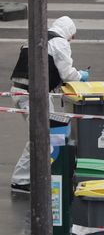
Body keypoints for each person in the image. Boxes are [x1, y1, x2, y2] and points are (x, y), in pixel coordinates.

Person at [10, 16, 89, 193]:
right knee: (41, 136)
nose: (72, 39)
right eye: (73, 35)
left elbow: (45, 67)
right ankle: (21, 181)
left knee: (43, 136)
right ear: (68, 31)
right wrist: (80, 76)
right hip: (35, 96)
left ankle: (37, 175)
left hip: (20, 90)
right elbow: (67, 73)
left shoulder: (35, 38)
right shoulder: (60, 42)